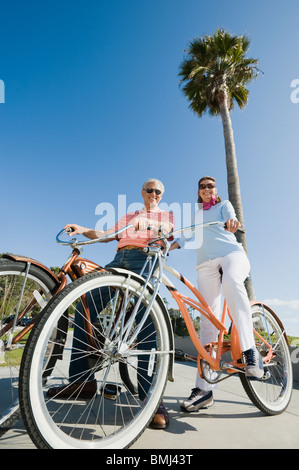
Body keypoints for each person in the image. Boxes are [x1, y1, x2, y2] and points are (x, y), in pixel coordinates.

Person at [48, 178, 174, 429]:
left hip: (145, 260)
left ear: (161, 195)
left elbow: (168, 231)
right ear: (142, 192)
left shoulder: (166, 214)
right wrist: (83, 229)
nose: (153, 194)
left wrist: (149, 222)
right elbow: (106, 236)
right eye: (149, 190)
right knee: (85, 304)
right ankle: (81, 381)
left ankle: (151, 396)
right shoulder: (129, 216)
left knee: (148, 323)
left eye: (158, 191)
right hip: (120, 259)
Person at [170, 176, 264, 413]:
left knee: (232, 282)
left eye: (210, 185)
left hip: (231, 255)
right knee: (208, 323)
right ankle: (203, 391)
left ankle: (250, 352)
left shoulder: (223, 206)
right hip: (206, 265)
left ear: (215, 190)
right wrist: (166, 247)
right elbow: (185, 237)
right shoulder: (197, 215)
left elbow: (231, 219)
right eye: (202, 186)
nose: (206, 189)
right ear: (198, 191)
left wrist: (232, 223)